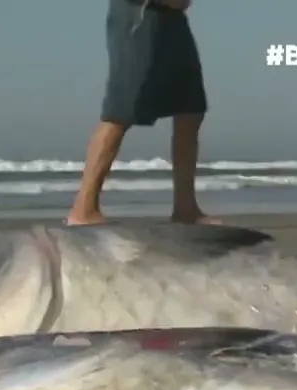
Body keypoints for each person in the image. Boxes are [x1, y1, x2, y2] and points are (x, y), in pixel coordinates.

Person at [66, 0, 218, 226]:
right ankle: (83, 209)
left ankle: (186, 208)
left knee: (191, 108)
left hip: (173, 19)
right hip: (138, 13)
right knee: (121, 110)